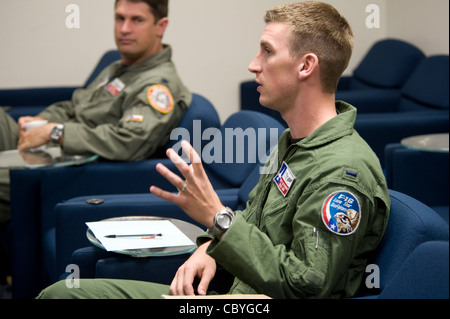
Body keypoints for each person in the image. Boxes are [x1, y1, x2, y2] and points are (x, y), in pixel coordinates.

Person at [37, 1, 390, 299]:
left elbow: (308, 285)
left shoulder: (343, 171)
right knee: (63, 294)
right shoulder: (293, 140)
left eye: (267, 51)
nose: (253, 64)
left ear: (306, 65)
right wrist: (210, 244)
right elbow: (254, 215)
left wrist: (219, 220)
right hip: (233, 292)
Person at [0, 0, 192, 227]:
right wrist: (42, 120)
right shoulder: (120, 66)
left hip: (69, 169)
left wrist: (56, 132)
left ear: (161, 26)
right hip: (53, 151)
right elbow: (75, 106)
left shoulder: (158, 86)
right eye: (120, 18)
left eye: (137, 20)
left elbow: (128, 141)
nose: (124, 29)